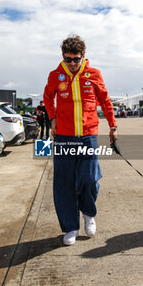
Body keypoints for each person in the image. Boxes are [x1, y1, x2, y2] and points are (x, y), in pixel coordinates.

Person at [43, 34, 117, 246]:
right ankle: (70, 227)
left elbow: (105, 99)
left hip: (88, 135)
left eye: (76, 59)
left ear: (83, 56)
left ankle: (88, 213)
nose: (73, 63)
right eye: (69, 59)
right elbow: (48, 97)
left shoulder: (93, 74)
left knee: (89, 179)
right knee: (64, 184)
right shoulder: (55, 75)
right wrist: (53, 118)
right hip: (64, 137)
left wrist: (113, 125)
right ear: (63, 57)